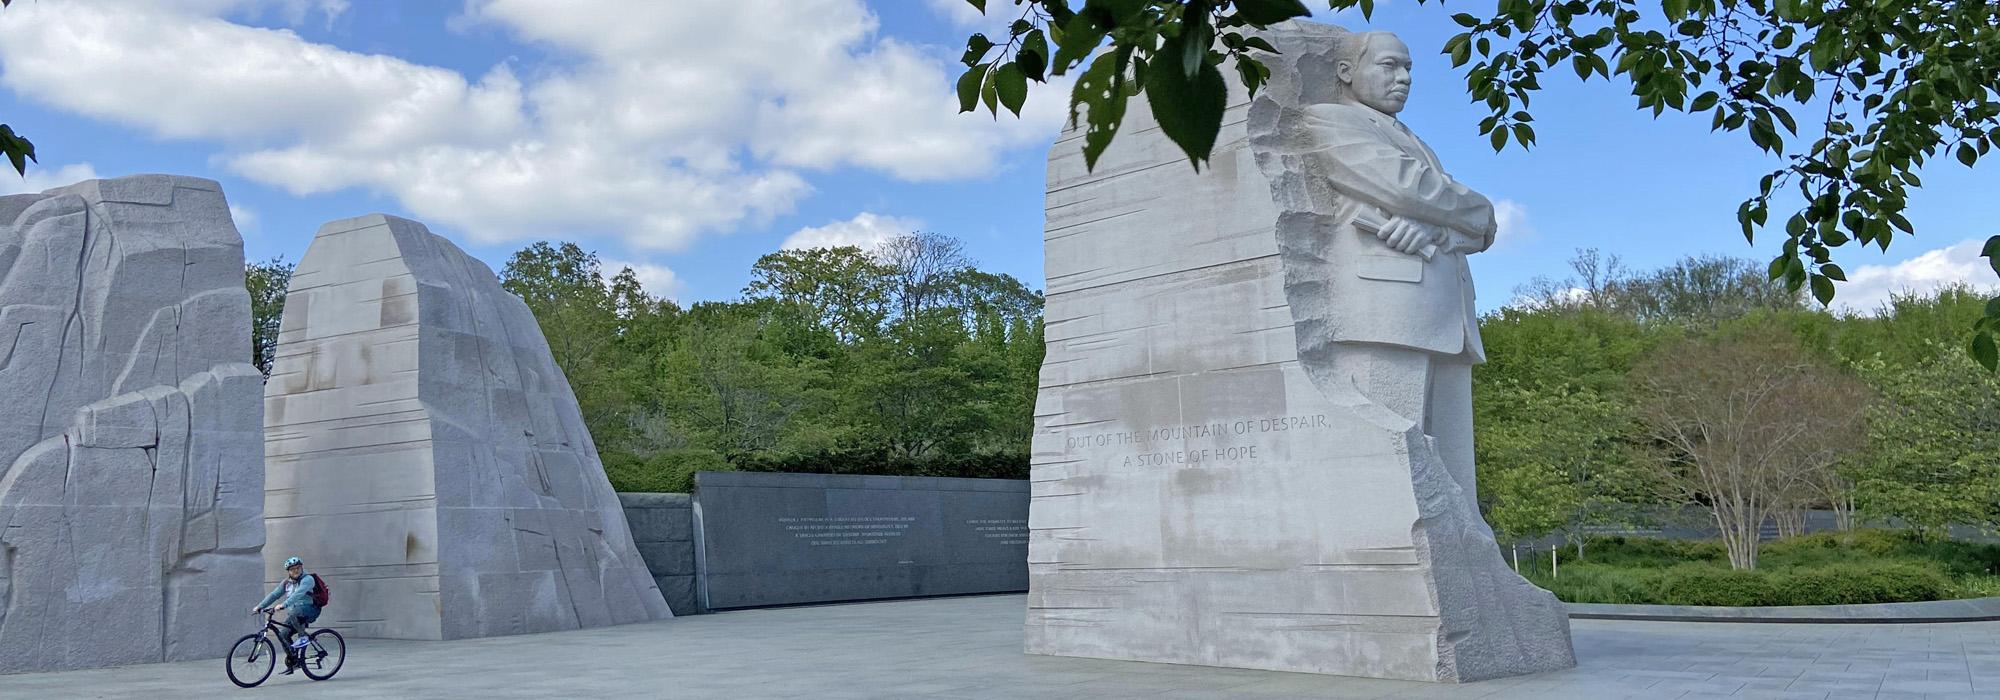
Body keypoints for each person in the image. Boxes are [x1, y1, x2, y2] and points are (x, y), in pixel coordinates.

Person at [1292, 30, 1500, 508]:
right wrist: (1472, 209)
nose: (1404, 78)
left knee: (1454, 488)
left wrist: (1442, 230)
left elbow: (1477, 225)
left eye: (1408, 68)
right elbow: (1408, 189)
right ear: (1346, 72)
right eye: (1389, 66)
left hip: (1448, 320)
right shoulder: (1327, 120)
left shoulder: (1412, 139)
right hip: (1385, 314)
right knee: (1388, 483)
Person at [252, 556, 321, 675]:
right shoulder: (286, 583)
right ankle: (294, 661)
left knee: (295, 611)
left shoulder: (308, 579)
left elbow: (298, 594)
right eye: (292, 569)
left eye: (298, 568)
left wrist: (284, 605)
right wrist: (260, 606)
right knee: (283, 634)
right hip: (296, 613)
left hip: (311, 609)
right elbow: (274, 595)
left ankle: (303, 637)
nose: (296, 571)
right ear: (288, 571)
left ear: (301, 567)